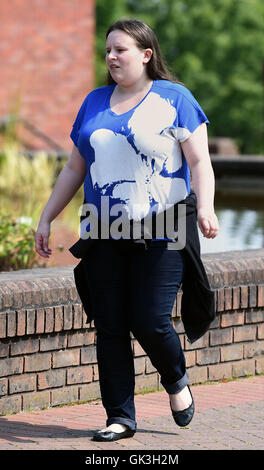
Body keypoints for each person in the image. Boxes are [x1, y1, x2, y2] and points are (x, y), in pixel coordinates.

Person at [35, 18, 219, 442]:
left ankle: (175, 379)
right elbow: (75, 166)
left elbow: (200, 163)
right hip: (103, 231)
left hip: (165, 226)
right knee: (111, 325)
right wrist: (46, 216)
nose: (112, 57)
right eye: (108, 51)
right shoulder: (94, 102)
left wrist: (206, 207)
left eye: (120, 49)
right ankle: (120, 416)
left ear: (146, 54)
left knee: (151, 320)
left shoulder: (176, 99)